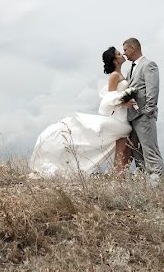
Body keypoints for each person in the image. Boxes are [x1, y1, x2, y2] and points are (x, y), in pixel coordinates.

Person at [28, 47, 134, 177]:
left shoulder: (122, 74)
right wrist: (124, 102)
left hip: (123, 114)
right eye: (119, 53)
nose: (122, 54)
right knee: (126, 131)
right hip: (118, 116)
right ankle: (119, 174)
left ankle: (120, 175)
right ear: (114, 60)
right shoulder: (114, 76)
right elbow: (109, 99)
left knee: (123, 142)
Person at [122, 37, 163, 186]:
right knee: (136, 152)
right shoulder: (130, 69)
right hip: (132, 118)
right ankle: (144, 184)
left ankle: (156, 187)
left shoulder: (149, 65)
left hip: (144, 117)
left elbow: (153, 90)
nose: (124, 53)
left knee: (150, 151)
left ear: (133, 48)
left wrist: (147, 111)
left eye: (125, 49)